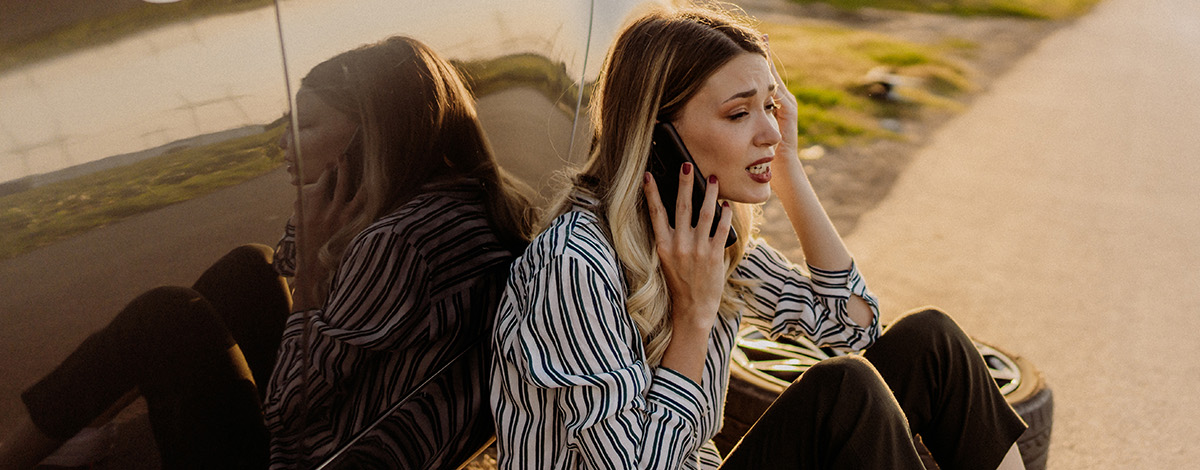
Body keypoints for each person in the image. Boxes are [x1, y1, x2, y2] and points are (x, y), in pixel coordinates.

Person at [489, 6, 1028, 469]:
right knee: (847, 393)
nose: (769, 131)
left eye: (770, 106)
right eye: (739, 113)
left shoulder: (703, 232)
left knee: (931, 342)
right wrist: (693, 317)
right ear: (657, 136)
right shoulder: (575, 263)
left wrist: (788, 164)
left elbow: (851, 326)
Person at [0, 36, 535, 469]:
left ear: (373, 136)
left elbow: (288, 411)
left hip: (317, 457)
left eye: (305, 126)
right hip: (384, 439)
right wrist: (324, 230)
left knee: (164, 316)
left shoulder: (395, 244)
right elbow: (285, 270)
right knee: (248, 269)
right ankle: (82, 427)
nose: (283, 143)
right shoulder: (463, 205)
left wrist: (313, 273)